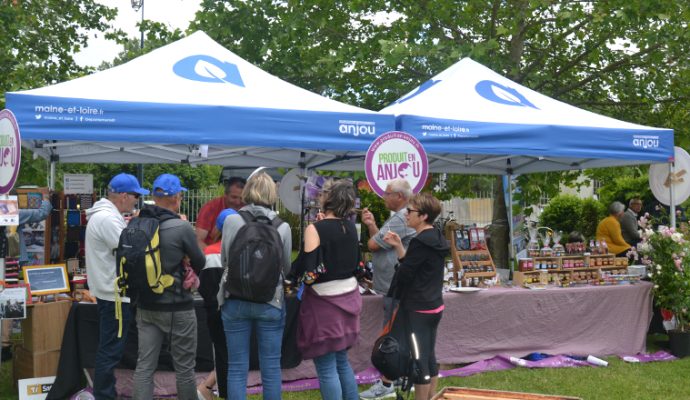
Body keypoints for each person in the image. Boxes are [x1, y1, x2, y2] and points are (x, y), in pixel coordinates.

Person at [218, 172, 291, 400]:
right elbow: (285, 267)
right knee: (270, 368)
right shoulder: (283, 226)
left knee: (237, 367)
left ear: (248, 191)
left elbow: (225, 260)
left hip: (235, 298)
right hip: (270, 300)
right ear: (272, 193)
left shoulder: (232, 221)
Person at [132, 174, 205, 400]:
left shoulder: (136, 222)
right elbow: (200, 261)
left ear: (154, 196)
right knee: (184, 369)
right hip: (177, 307)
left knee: (144, 367)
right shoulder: (180, 227)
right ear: (176, 198)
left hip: (145, 305)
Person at [290, 180, 362, 400]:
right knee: (342, 361)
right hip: (350, 298)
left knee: (326, 367)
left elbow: (309, 274)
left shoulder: (316, 228)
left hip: (323, 304)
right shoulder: (350, 228)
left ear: (328, 198)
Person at [85, 173, 149, 400]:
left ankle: (105, 393)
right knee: (110, 351)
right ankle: (104, 395)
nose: (136, 201)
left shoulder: (105, 215)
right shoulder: (107, 219)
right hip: (114, 295)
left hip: (109, 292)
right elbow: (132, 250)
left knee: (110, 348)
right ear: (123, 196)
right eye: (135, 196)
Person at [380, 193, 449, 400]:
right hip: (433, 306)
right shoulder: (436, 237)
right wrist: (400, 247)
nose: (406, 215)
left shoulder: (420, 241)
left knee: (419, 361)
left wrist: (399, 265)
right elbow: (416, 267)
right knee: (428, 355)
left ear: (424, 216)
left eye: (410, 211)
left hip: (418, 309)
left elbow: (405, 274)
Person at [359, 178, 416, 399]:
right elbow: (382, 243)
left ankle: (387, 382)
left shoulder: (401, 219)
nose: (383, 196)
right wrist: (372, 225)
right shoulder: (401, 217)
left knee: (391, 336)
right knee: (399, 333)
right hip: (395, 284)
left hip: (396, 284)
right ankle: (400, 376)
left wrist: (373, 233)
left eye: (387, 193)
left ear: (399, 197)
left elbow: (373, 244)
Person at [1, 194, 52, 362]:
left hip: (7, 261)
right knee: (8, 299)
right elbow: (41, 214)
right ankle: (5, 345)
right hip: (9, 261)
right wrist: (45, 198)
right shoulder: (8, 210)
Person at [197, 208, 237, 400]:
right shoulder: (243, 249)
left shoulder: (208, 253)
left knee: (221, 354)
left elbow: (202, 287)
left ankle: (225, 392)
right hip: (238, 311)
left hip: (214, 312)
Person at [196, 177, 246, 249]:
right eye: (234, 197)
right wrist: (214, 256)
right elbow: (198, 241)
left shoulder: (248, 207)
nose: (238, 202)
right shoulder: (210, 208)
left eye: (242, 198)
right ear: (225, 195)